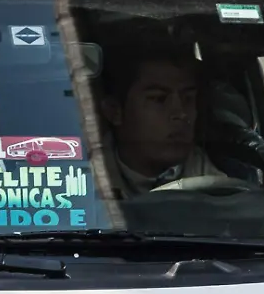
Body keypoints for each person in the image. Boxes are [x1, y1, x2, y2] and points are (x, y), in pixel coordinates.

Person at [95, 49, 226, 195]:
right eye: (158, 99)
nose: (181, 114)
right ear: (114, 111)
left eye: (188, 99)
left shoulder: (220, 190)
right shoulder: (78, 182)